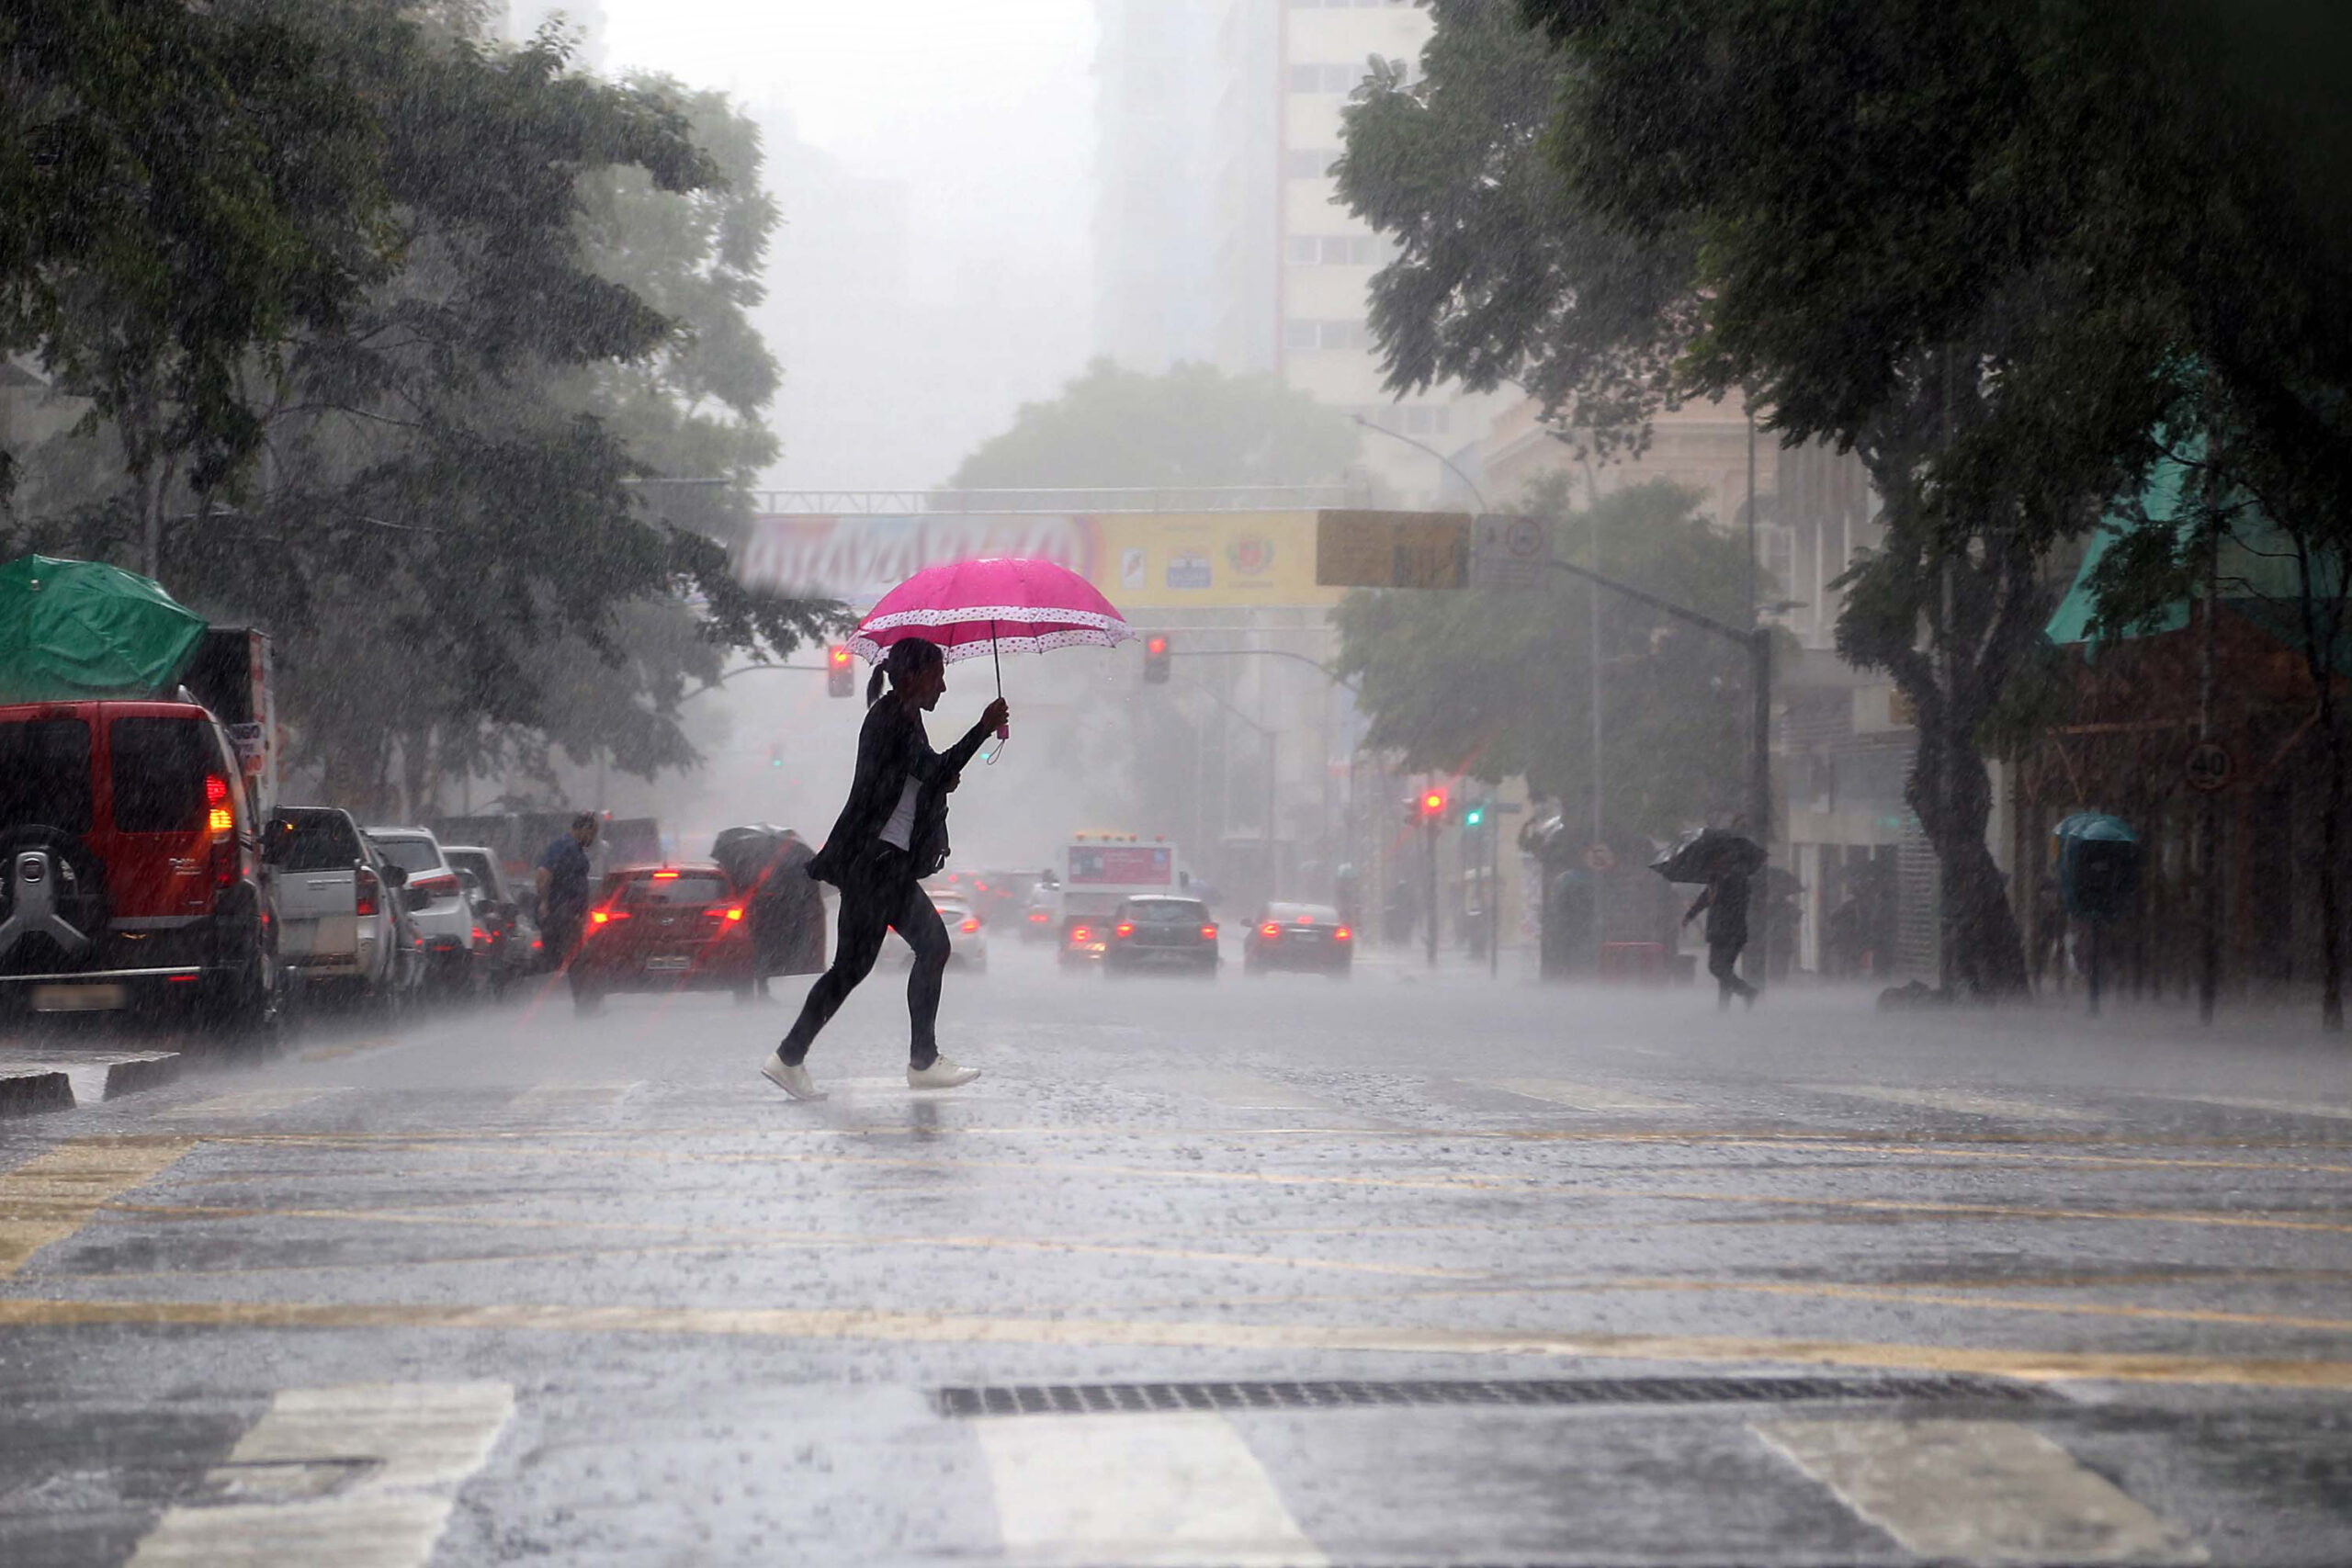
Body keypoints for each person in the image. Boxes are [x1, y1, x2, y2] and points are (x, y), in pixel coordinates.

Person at [761, 637, 1009, 1100]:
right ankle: (922, 1060)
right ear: (914, 677)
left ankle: (790, 1057)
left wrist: (939, 780)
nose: (943, 687)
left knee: (852, 969)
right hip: (876, 862)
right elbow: (927, 771)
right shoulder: (891, 717)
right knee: (928, 947)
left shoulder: (904, 717)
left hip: (876, 863)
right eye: (937, 676)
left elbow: (920, 777)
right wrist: (982, 727)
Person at [1683, 863, 1758, 1010]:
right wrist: (1690, 915)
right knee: (1723, 969)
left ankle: (1747, 992)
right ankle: (1724, 1007)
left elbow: (1735, 903)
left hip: (1731, 932)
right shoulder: (1716, 882)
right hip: (1719, 932)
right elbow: (1704, 900)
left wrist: (1719, 885)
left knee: (1718, 968)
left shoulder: (1737, 881)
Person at [535, 812, 598, 972]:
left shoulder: (575, 850)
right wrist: (544, 902)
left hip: (570, 915)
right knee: (568, 959)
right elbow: (543, 872)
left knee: (571, 959)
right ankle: (561, 989)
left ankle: (565, 988)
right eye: (592, 833)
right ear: (584, 829)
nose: (593, 839)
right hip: (562, 913)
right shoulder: (563, 847)